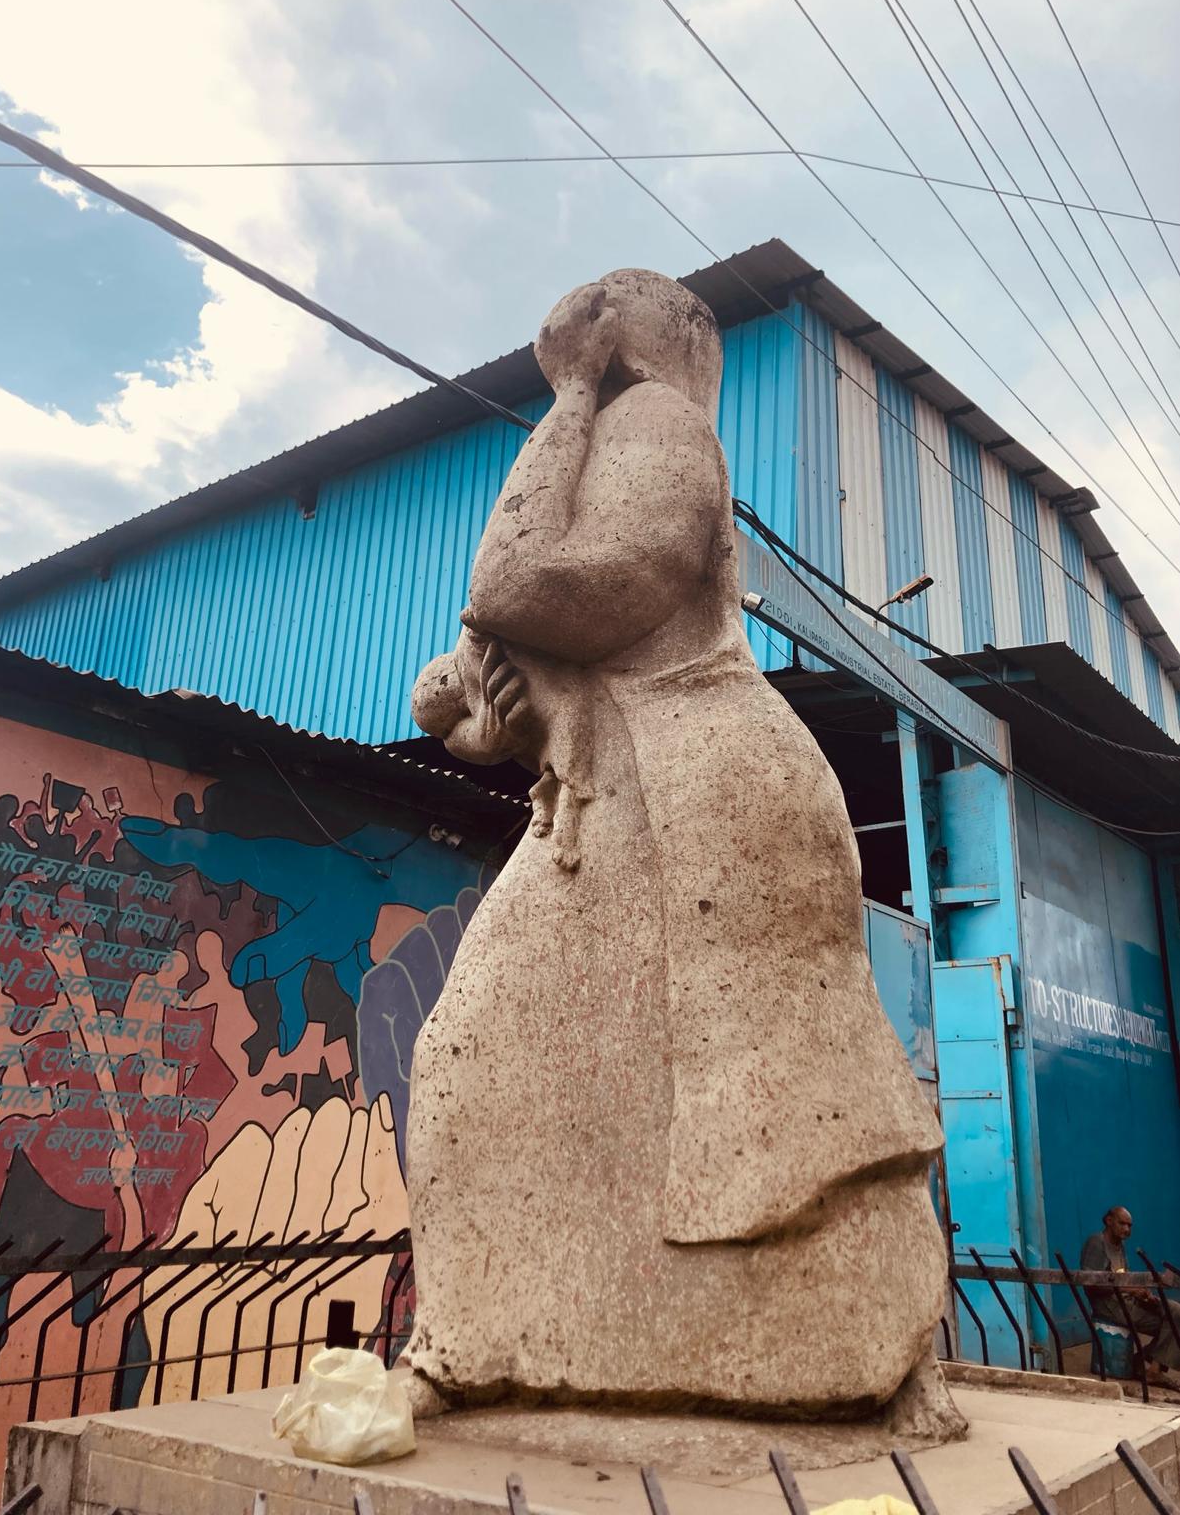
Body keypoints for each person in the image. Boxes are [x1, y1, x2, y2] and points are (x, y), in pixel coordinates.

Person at [401, 269, 957, 1429]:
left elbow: (527, 585)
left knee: (778, 1097)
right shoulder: (631, 434)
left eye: (586, 317)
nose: (558, 327)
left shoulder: (657, 428)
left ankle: (871, 1353)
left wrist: (564, 400)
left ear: (624, 335)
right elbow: (498, 678)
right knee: (496, 1065)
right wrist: (493, 696)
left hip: (706, 796)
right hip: (624, 794)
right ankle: (488, 1339)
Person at [1082, 1206, 1180, 1387]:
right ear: (1109, 1221)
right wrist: (1130, 1290)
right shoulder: (1097, 1242)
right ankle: (1150, 1369)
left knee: (1174, 1310)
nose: (1126, 1229)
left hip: (1127, 1301)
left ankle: (1149, 1367)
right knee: (1173, 1324)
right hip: (1109, 1305)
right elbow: (1091, 1284)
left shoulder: (1120, 1246)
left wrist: (1142, 1294)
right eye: (1122, 1223)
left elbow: (1123, 1278)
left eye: (1129, 1225)